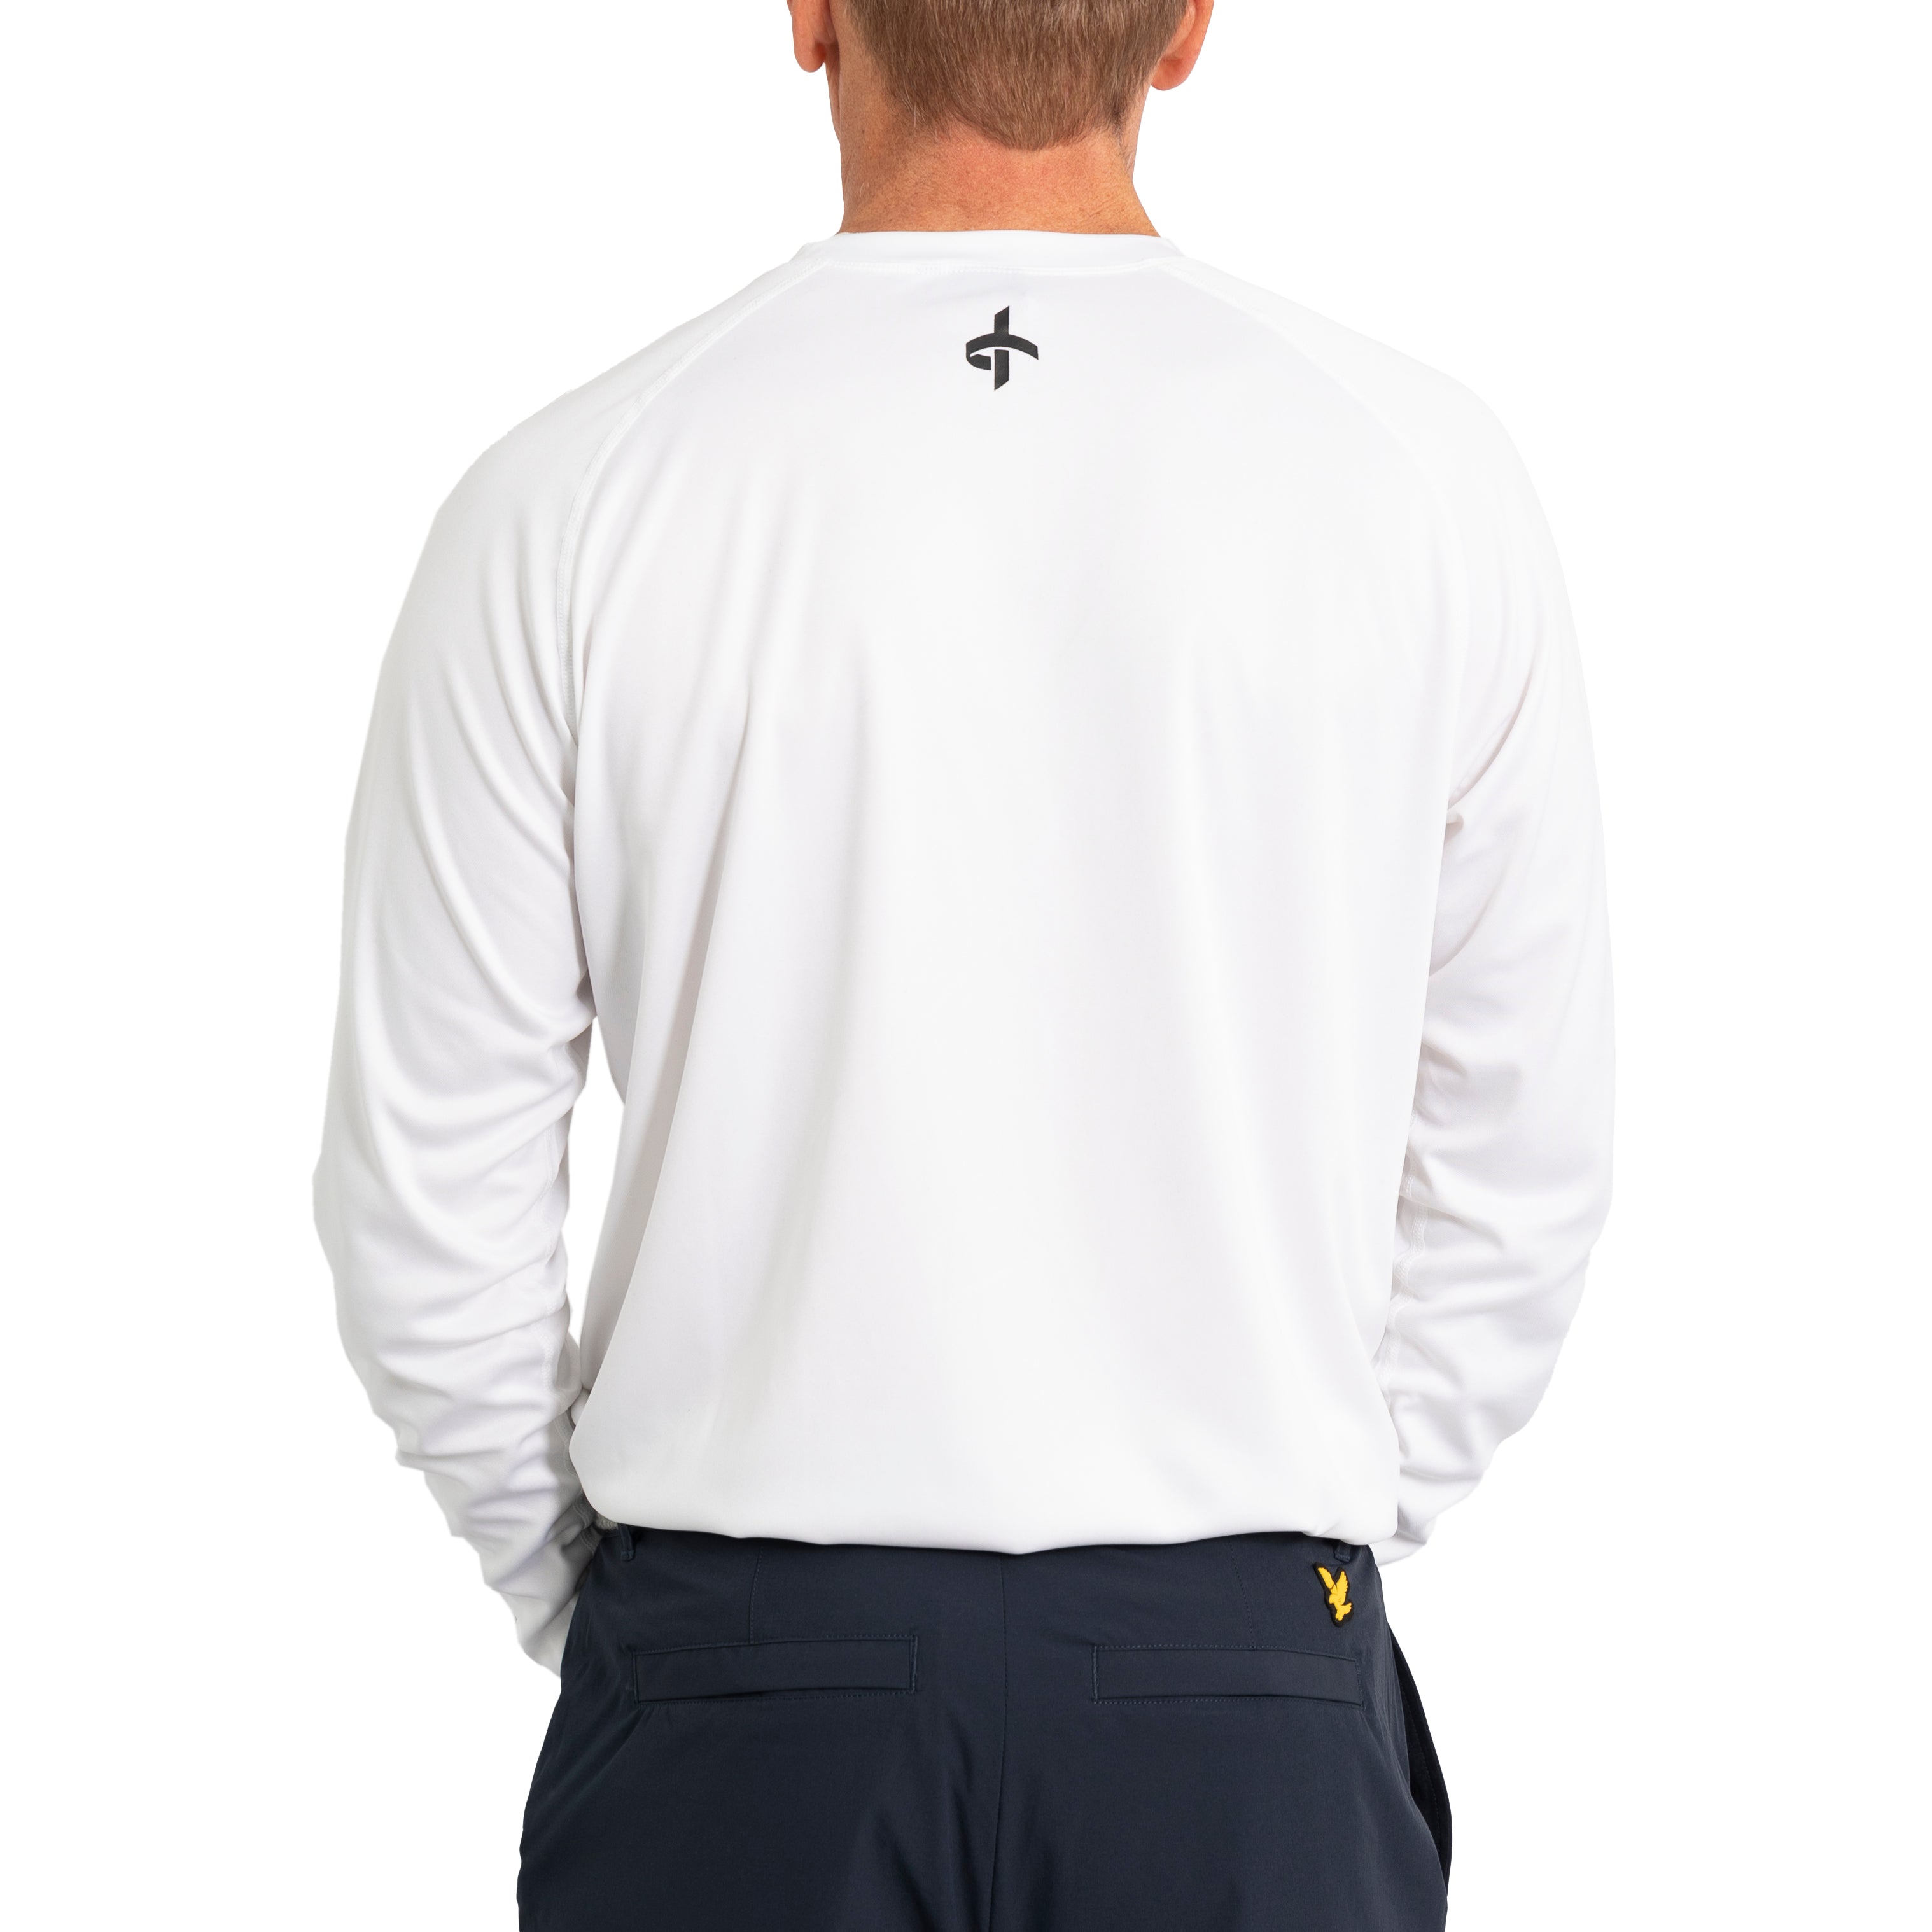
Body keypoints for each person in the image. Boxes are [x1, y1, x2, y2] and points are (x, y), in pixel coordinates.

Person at [314, 1, 1613, 1925]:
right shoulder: (1418, 482)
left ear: (809, 14)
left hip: (738, 1692)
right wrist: (1289, 1550)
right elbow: (1524, 1157)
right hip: (1237, 1693)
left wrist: (644, 1617)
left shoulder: (571, 496)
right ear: (1186, 29)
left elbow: (427, 1201)